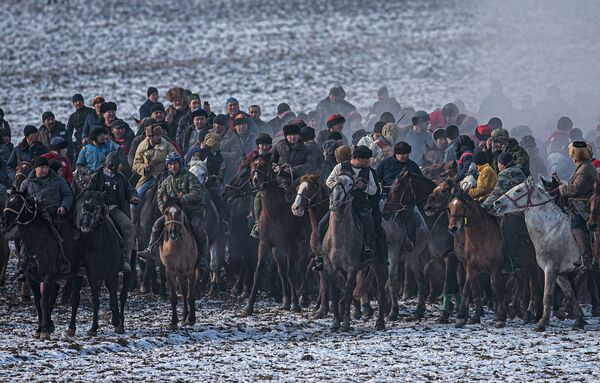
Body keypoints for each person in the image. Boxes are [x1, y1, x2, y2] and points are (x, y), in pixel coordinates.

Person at [137, 152, 208, 260]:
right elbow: (160, 197)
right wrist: (165, 210)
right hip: (173, 213)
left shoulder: (190, 177)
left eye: (175, 163)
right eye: (170, 164)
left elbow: (196, 193)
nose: (172, 166)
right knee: (157, 225)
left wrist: (181, 201)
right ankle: (151, 250)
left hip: (191, 210)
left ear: (179, 164)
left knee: (196, 226)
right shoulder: (166, 181)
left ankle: (203, 257)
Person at [20, 156, 74, 277]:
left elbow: (67, 194)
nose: (44, 169)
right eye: (41, 167)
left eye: (46, 167)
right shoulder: (27, 182)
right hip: (34, 218)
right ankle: (22, 265)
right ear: (35, 169)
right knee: (24, 239)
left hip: (54, 215)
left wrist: (63, 207)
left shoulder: (58, 180)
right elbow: (20, 198)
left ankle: (66, 261)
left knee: (66, 237)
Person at [323, 145, 378, 261]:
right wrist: (340, 185)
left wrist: (363, 187)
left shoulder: (368, 171)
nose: (369, 161)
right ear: (359, 159)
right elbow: (328, 181)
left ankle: (367, 248)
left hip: (360, 204)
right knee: (321, 225)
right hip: (340, 204)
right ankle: (321, 253)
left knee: (369, 223)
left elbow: (374, 190)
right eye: (367, 159)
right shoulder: (340, 167)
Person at [87, 152, 139, 272]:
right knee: (85, 228)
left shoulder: (120, 177)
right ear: (113, 164)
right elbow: (89, 192)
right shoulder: (97, 176)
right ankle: (81, 260)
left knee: (129, 227)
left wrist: (133, 197)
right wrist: (98, 199)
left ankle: (126, 259)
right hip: (99, 210)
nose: (122, 166)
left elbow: (129, 189)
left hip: (115, 209)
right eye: (120, 164)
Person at [482, 152, 526, 273]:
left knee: (506, 232)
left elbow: (497, 193)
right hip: (523, 207)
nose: (498, 165)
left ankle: (513, 261)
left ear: (502, 164)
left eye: (498, 163)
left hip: (514, 211)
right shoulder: (519, 170)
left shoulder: (505, 174)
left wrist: (484, 206)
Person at [376, 141, 422, 251]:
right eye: (403, 154)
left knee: (410, 216)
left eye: (407, 154)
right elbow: (377, 178)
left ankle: (410, 241)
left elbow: (419, 181)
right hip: (386, 197)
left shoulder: (412, 166)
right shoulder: (384, 164)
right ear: (396, 154)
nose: (405, 156)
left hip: (405, 200)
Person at [559, 141, 597, 271]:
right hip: (580, 203)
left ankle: (585, 257)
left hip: (584, 206)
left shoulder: (585, 169)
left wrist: (562, 189)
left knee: (576, 227)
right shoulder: (584, 166)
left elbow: (575, 190)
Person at [132, 122, 176, 201]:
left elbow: (176, 159)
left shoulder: (168, 146)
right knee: (137, 196)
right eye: (157, 135)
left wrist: (170, 168)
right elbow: (136, 163)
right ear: (150, 136)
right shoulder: (142, 147)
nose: (160, 137)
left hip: (166, 176)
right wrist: (144, 168)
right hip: (149, 178)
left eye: (160, 135)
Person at [271, 121, 320, 189]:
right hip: (279, 180)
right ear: (286, 136)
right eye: (290, 135)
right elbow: (271, 161)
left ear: (299, 135)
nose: (293, 137)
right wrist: (275, 167)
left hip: (298, 181)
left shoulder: (306, 149)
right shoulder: (278, 146)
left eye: (295, 135)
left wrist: (293, 170)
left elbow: (310, 165)